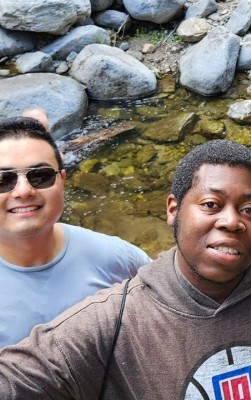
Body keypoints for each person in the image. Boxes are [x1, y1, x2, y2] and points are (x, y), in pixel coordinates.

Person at [0, 139, 251, 399]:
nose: (231, 221)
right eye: (210, 204)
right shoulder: (116, 322)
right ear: (173, 208)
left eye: (250, 210)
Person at [0, 116, 151, 348]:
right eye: (3, 180)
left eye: (40, 176)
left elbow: (169, 307)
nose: (23, 190)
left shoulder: (115, 258)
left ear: (62, 180)